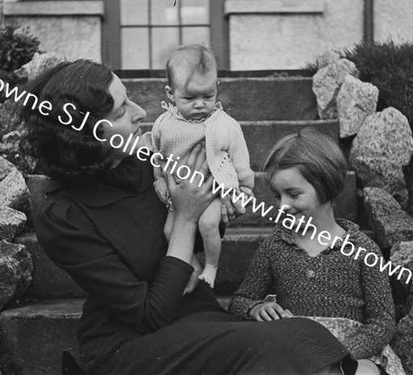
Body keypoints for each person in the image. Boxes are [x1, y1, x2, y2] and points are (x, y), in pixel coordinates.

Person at [20, 59, 358, 375]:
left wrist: (221, 205)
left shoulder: (147, 165)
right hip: (131, 342)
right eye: (122, 110)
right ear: (88, 133)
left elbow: (189, 241)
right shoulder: (60, 214)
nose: (140, 113)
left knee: (309, 345)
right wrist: (184, 220)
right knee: (293, 342)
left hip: (196, 314)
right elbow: (148, 313)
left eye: (131, 99)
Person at [228, 129, 397, 374]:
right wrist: (255, 308)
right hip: (296, 351)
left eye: (294, 194)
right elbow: (239, 300)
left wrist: (338, 352)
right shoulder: (276, 246)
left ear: (325, 187)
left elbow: (382, 322)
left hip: (349, 354)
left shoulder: (362, 249)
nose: (283, 205)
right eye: (277, 196)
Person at [152, 45, 254, 288]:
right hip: (180, 194)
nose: (199, 104)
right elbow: (157, 156)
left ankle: (211, 266)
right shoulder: (163, 124)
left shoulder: (225, 125)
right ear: (170, 93)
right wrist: (159, 180)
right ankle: (193, 267)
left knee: (208, 225)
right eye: (189, 98)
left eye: (207, 96)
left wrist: (245, 188)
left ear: (217, 88)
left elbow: (241, 159)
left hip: (214, 192)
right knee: (169, 231)